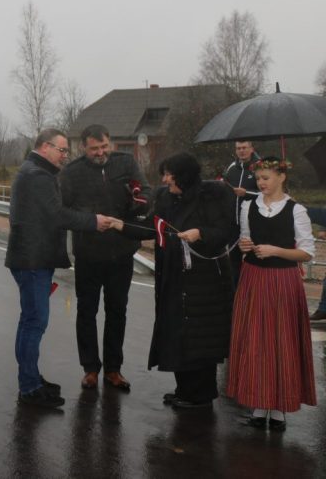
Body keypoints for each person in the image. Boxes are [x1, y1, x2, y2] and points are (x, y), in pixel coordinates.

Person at [116, 152, 237, 410]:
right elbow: (152, 227)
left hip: (204, 281)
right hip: (172, 275)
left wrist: (200, 233)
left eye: (169, 174)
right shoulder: (166, 198)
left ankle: (200, 394)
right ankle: (184, 389)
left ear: (184, 176)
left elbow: (224, 232)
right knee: (176, 333)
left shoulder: (211, 196)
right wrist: (119, 225)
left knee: (200, 337)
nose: (164, 179)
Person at [6, 129, 115, 408]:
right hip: (33, 260)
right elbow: (57, 215)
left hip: (30, 258)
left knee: (29, 321)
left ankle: (30, 377)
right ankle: (29, 387)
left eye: (66, 151)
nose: (65, 156)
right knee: (34, 323)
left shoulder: (33, 171)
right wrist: (93, 221)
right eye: (62, 150)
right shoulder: (38, 176)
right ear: (45, 147)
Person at [226, 156, 316, 430]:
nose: (261, 183)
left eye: (266, 178)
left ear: (281, 177)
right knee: (255, 340)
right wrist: (245, 246)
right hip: (253, 278)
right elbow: (245, 241)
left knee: (281, 341)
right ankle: (258, 403)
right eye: (258, 179)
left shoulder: (296, 210)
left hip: (283, 280)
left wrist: (276, 250)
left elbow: (307, 253)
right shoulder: (248, 206)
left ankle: (278, 409)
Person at [59, 124, 150, 392]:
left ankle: (113, 369)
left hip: (121, 252)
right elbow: (62, 212)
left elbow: (147, 191)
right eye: (94, 148)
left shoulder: (126, 162)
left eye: (104, 146)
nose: (100, 153)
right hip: (88, 254)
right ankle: (90, 369)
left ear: (110, 143)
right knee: (87, 311)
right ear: (83, 147)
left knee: (117, 311)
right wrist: (90, 222)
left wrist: (139, 200)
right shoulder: (71, 173)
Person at [222, 140, 260, 283]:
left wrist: (246, 193)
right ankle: (235, 291)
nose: (241, 151)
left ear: (252, 149)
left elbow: (267, 193)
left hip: (254, 222)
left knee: (254, 258)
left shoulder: (260, 166)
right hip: (233, 222)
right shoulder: (232, 167)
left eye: (244, 148)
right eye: (238, 148)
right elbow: (225, 188)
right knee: (233, 260)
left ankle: (254, 288)